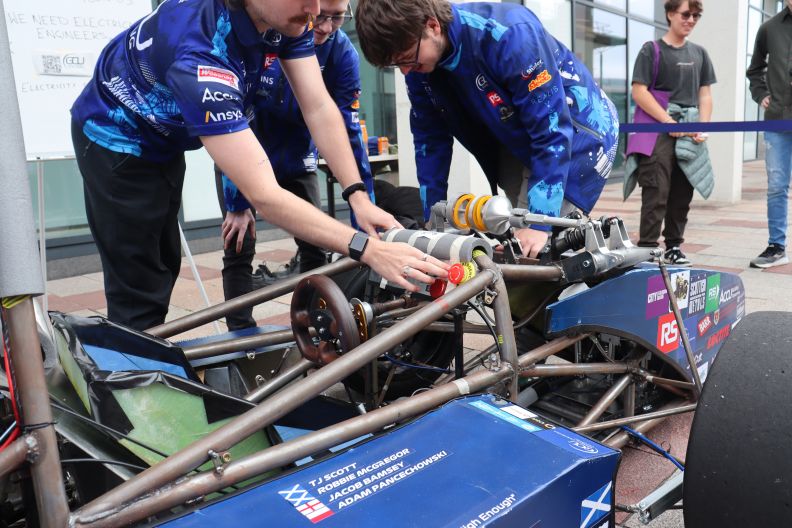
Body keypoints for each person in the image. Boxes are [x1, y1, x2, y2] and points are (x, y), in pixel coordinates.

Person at [71, 0, 447, 331]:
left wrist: (358, 197)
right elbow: (265, 195)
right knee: (140, 287)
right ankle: (127, 387)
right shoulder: (201, 54)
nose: (316, 12)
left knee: (164, 263)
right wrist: (369, 250)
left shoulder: (287, 16)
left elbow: (317, 107)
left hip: (164, 140)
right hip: (114, 138)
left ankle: (141, 352)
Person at [355, 0, 620, 258]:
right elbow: (430, 142)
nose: (404, 71)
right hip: (514, 134)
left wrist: (541, 223)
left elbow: (551, 130)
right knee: (518, 239)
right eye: (395, 64)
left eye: (406, 58)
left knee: (541, 248)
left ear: (432, 26)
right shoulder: (418, 68)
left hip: (579, 133)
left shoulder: (510, 34)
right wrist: (432, 221)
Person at [217, 0, 376, 329]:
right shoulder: (272, 35)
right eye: (321, 17)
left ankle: (314, 327)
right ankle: (240, 338)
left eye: (337, 18)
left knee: (316, 245)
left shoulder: (342, 54)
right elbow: (235, 113)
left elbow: (348, 128)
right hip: (243, 146)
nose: (326, 27)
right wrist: (237, 200)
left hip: (296, 156)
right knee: (238, 243)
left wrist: (363, 203)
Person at [625, 0, 715, 266]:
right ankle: (648, 248)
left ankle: (674, 246)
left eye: (696, 16)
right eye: (686, 14)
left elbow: (705, 94)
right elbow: (639, 91)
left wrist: (703, 126)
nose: (691, 20)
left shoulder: (700, 53)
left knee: (682, 189)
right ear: (670, 13)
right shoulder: (650, 50)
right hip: (658, 128)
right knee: (656, 187)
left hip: (689, 125)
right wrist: (668, 122)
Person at [746, 0, 792, 268]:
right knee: (777, 185)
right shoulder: (769, 28)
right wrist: (761, 94)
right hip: (777, 120)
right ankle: (777, 246)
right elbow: (754, 70)